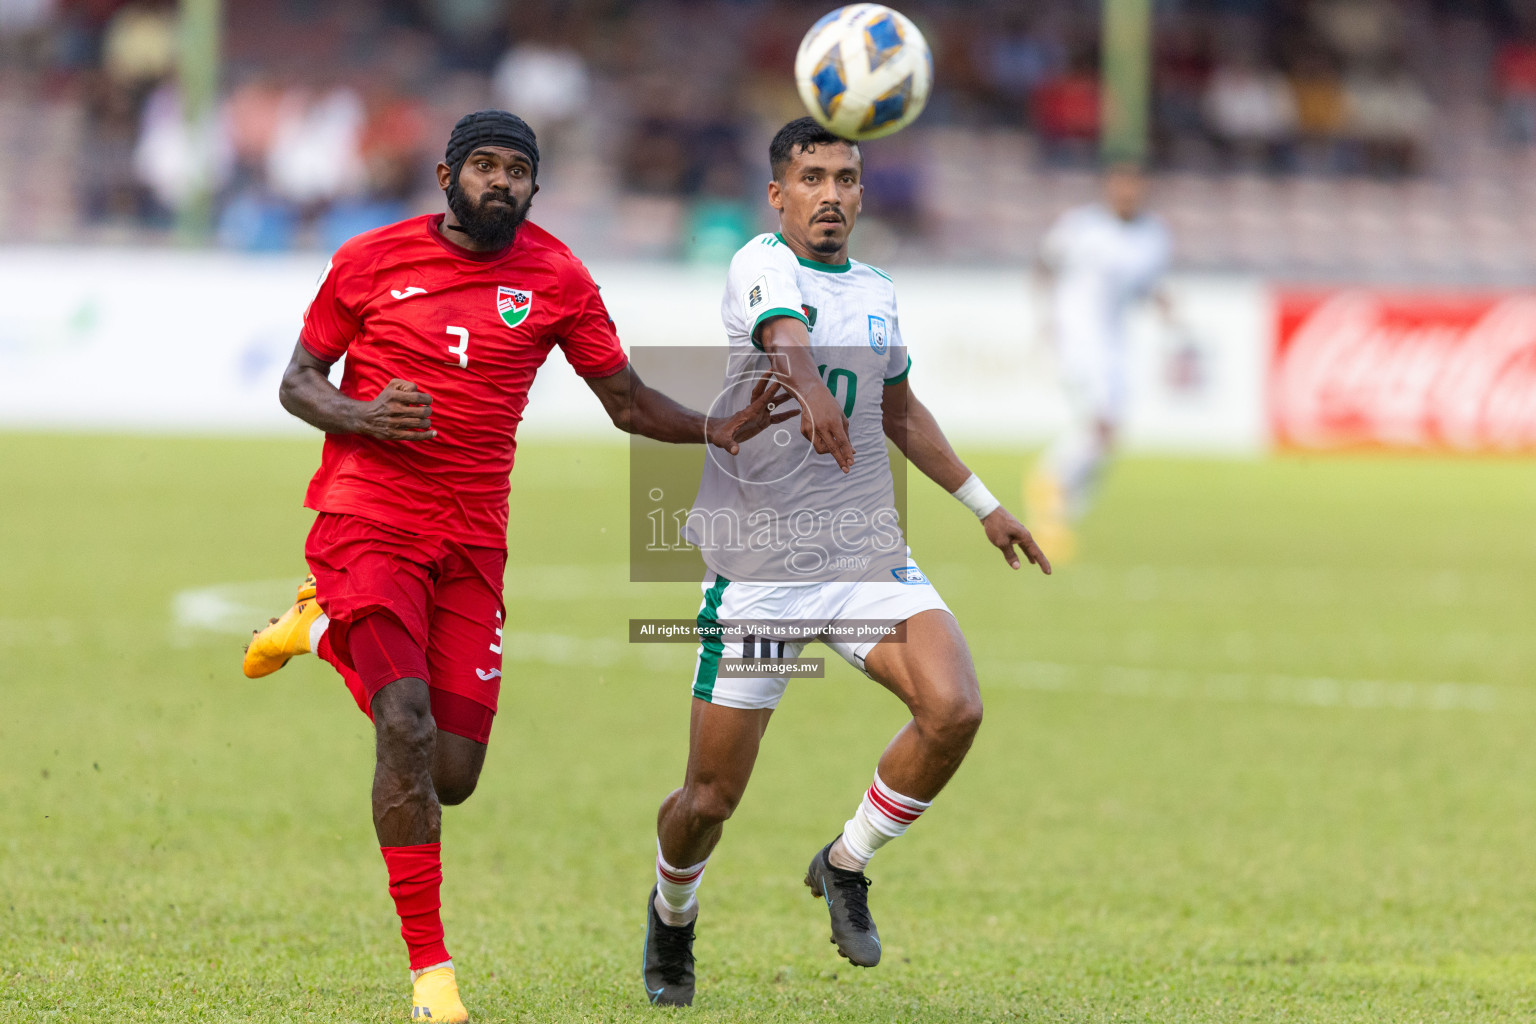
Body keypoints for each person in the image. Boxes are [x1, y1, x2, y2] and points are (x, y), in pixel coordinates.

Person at [239, 110, 798, 1023]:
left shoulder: (557, 275)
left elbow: (623, 400)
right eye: (484, 166)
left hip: (473, 542)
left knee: (453, 775)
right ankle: (433, 977)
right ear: (445, 174)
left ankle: (322, 625)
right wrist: (361, 415)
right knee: (407, 730)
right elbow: (298, 380)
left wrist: (714, 426)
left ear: (535, 187)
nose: (499, 182)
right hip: (366, 523)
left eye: (517, 171)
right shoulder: (369, 259)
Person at [639, 117, 1051, 1008]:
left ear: (864, 193)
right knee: (709, 799)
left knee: (955, 708)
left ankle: (845, 861)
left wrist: (985, 506)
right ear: (778, 193)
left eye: (847, 179)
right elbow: (784, 337)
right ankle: (673, 914)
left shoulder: (877, 290)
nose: (831, 194)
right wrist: (814, 388)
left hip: (865, 553)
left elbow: (900, 412)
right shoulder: (759, 264)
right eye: (813, 177)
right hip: (762, 567)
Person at [1027, 163, 1172, 561]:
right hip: (1079, 341)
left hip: (1115, 346)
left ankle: (1055, 518)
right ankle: (1048, 483)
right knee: (1099, 425)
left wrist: (1160, 301)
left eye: (1136, 184)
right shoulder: (1081, 227)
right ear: (1109, 187)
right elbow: (1044, 264)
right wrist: (1046, 317)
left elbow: (1142, 285)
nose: (1129, 192)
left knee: (1108, 437)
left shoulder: (1154, 235)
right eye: (1122, 184)